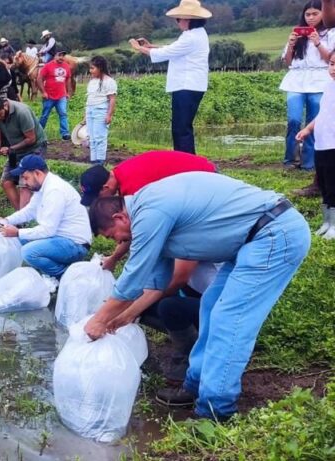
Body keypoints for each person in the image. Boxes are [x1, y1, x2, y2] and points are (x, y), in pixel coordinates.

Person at [85, 172, 310, 421]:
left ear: (119, 217)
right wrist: (123, 317)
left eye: (111, 235)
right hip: (251, 242)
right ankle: (195, 384)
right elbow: (156, 282)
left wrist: (99, 320)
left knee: (230, 319)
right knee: (210, 307)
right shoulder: (148, 214)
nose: (117, 241)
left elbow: (132, 278)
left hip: (273, 233)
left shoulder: (150, 212)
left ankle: (215, 410)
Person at [79, 150, 219, 271]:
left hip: (206, 184)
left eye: (97, 198)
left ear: (105, 188)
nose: (99, 203)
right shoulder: (122, 173)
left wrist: (117, 259)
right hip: (197, 181)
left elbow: (137, 230)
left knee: (190, 253)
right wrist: (115, 258)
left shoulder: (134, 187)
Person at [0, 154, 92, 278]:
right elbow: (29, 211)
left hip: (75, 244)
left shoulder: (54, 191)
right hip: (58, 238)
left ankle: (65, 276)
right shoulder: (42, 187)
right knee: (14, 241)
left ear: (37, 173)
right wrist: (6, 220)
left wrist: (18, 232)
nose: (24, 183)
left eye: (26, 178)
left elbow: (48, 230)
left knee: (28, 252)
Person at [129, 0, 212, 154]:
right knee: (183, 127)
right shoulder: (197, 34)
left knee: (181, 128)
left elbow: (165, 54)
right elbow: (173, 49)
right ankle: (186, 160)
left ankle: (186, 162)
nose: (177, 22)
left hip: (186, 86)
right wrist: (151, 46)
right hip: (192, 85)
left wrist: (139, 48)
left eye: (178, 19)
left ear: (188, 19)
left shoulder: (190, 38)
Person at [117, 260, 219, 384]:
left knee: (168, 307)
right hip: (198, 294)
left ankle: (190, 358)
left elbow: (179, 278)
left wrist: (131, 311)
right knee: (143, 302)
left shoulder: (186, 242)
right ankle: (192, 336)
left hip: (222, 306)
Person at [282, 0, 334, 172]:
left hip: (320, 79)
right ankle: (290, 158)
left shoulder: (330, 33)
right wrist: (291, 44)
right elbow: (288, 62)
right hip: (296, 79)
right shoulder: (297, 33)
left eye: (315, 14)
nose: (311, 18)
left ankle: (309, 162)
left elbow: (330, 60)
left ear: (323, 14)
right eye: (308, 14)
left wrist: (318, 43)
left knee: (315, 121)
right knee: (294, 119)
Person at [0, 96, 48, 210]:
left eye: (0, 115)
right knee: (6, 182)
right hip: (15, 150)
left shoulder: (22, 112)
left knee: (25, 184)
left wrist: (10, 148)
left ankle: (23, 220)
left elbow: (31, 138)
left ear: (5, 106)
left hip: (35, 147)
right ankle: (21, 217)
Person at [295, 52, 335, 239]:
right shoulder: (328, 87)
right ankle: (327, 222)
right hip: (322, 145)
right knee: (325, 184)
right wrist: (308, 129)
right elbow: (322, 114)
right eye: (332, 64)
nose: (333, 69)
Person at [82, 56, 117, 164]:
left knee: (99, 137)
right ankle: (93, 159)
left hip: (100, 111)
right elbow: (90, 99)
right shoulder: (92, 81)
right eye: (90, 68)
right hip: (90, 110)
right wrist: (85, 115)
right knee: (91, 137)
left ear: (100, 68)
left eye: (93, 68)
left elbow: (112, 99)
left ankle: (100, 160)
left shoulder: (109, 81)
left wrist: (109, 115)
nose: (90, 71)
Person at [38, 51, 73, 141]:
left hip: (61, 95)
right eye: (59, 55)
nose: (61, 57)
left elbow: (68, 79)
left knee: (63, 113)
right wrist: (43, 92)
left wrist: (68, 92)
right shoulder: (48, 66)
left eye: (63, 56)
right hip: (49, 96)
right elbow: (39, 78)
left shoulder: (66, 66)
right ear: (55, 56)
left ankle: (65, 133)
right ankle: (38, 132)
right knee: (45, 115)